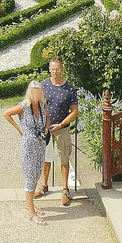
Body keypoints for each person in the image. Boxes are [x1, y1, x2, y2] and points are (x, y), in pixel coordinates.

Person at [3, 82, 50, 226]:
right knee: (30, 176)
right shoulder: (23, 106)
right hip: (29, 145)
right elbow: (6, 114)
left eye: (39, 92)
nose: (37, 95)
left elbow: (48, 118)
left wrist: (46, 129)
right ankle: (31, 213)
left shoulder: (42, 105)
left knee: (36, 174)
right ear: (30, 93)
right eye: (35, 92)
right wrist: (19, 129)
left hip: (40, 144)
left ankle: (31, 204)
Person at [40, 58, 79, 207]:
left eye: (57, 69)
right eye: (52, 69)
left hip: (62, 128)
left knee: (64, 158)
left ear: (62, 69)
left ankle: (65, 189)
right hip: (46, 128)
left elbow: (74, 111)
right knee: (46, 158)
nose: (55, 72)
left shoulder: (69, 88)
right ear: (49, 69)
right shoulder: (43, 85)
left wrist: (61, 124)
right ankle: (44, 186)